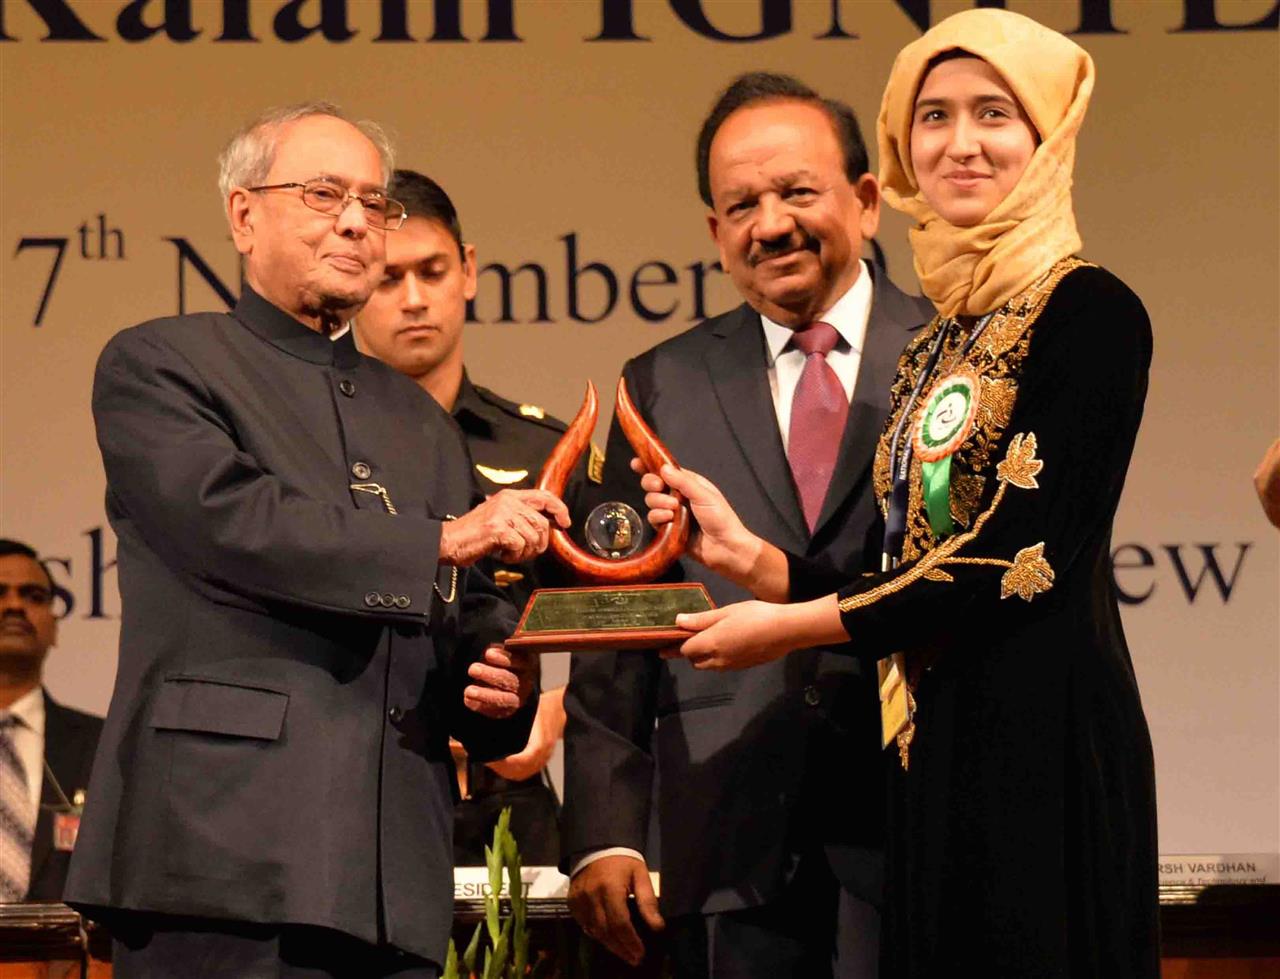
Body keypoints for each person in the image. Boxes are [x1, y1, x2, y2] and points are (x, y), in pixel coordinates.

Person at [643, 10, 1160, 976]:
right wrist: (756, 565)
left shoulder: (1091, 312)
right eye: (932, 118)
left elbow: (1012, 561)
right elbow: (902, 567)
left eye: (994, 114)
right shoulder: (937, 341)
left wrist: (783, 625)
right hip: (927, 759)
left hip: (1038, 748)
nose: (960, 144)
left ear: (1047, 136)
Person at [63, 102, 570, 979]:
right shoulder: (160, 363)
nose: (353, 220)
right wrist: (439, 542)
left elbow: (464, 627)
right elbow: (237, 523)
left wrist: (498, 683)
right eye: (323, 192)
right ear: (243, 214)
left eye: (372, 203)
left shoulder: (416, 419)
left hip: (390, 882)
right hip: (219, 858)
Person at [561, 73, 933, 978]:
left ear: (869, 199)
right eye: (742, 204)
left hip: (918, 827)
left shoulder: (951, 357)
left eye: (798, 192)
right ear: (715, 231)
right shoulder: (661, 382)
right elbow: (618, 614)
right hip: (726, 839)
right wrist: (604, 831)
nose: (771, 224)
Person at [355, 168, 592, 867]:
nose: (414, 299)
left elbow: (617, 624)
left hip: (510, 801)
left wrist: (554, 711)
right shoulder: (316, 450)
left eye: (432, 270)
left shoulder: (544, 450)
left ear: (470, 271)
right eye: (389, 278)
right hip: (360, 792)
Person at [0, 538, 103, 902]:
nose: (14, 605)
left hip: (62, 957)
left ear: (55, 626)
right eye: (0, 593)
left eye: (33, 596)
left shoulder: (104, 746)